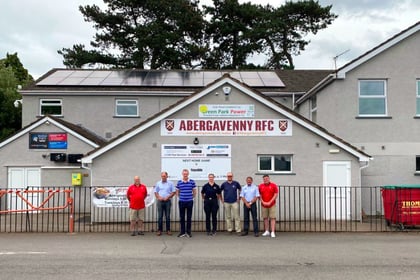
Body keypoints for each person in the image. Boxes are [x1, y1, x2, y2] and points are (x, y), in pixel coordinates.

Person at [154, 171, 176, 236]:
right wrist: (158, 197)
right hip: (160, 201)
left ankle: (168, 230)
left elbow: (173, 192)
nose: (163, 177)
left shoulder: (170, 183)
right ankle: (159, 230)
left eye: (164, 176)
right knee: (160, 216)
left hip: (167, 201)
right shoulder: (158, 183)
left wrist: (168, 197)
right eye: (162, 176)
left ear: (167, 176)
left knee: (168, 216)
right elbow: (155, 192)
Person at [176, 169, 197, 238]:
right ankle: (182, 232)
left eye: (186, 174)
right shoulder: (179, 182)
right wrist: (182, 197)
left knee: (189, 217)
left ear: (188, 174)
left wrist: (191, 197)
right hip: (181, 201)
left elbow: (194, 192)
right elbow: (177, 192)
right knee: (182, 217)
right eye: (184, 174)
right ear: (182, 174)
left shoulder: (192, 182)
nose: (185, 175)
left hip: (189, 202)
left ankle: (188, 232)